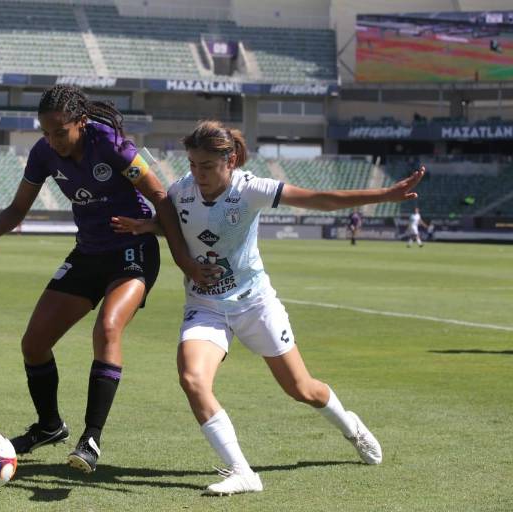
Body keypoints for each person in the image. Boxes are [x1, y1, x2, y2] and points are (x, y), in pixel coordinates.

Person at [112, 121, 425, 495]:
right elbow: (181, 227)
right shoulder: (181, 191)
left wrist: (383, 195)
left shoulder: (251, 190)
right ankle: (242, 472)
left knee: (302, 388)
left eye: (207, 166)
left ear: (231, 161)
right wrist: (149, 226)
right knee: (193, 379)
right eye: (193, 164)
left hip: (255, 304)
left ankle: (351, 427)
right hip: (206, 306)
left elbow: (318, 200)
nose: (198, 174)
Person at [0, 85, 181, 474]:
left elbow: (161, 197)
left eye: (58, 132)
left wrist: (156, 232)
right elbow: (19, 206)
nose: (51, 140)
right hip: (87, 254)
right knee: (34, 344)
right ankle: (50, 426)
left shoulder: (112, 145)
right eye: (45, 132)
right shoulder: (43, 153)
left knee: (107, 328)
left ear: (81, 123)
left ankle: (91, 438)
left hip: (131, 251)